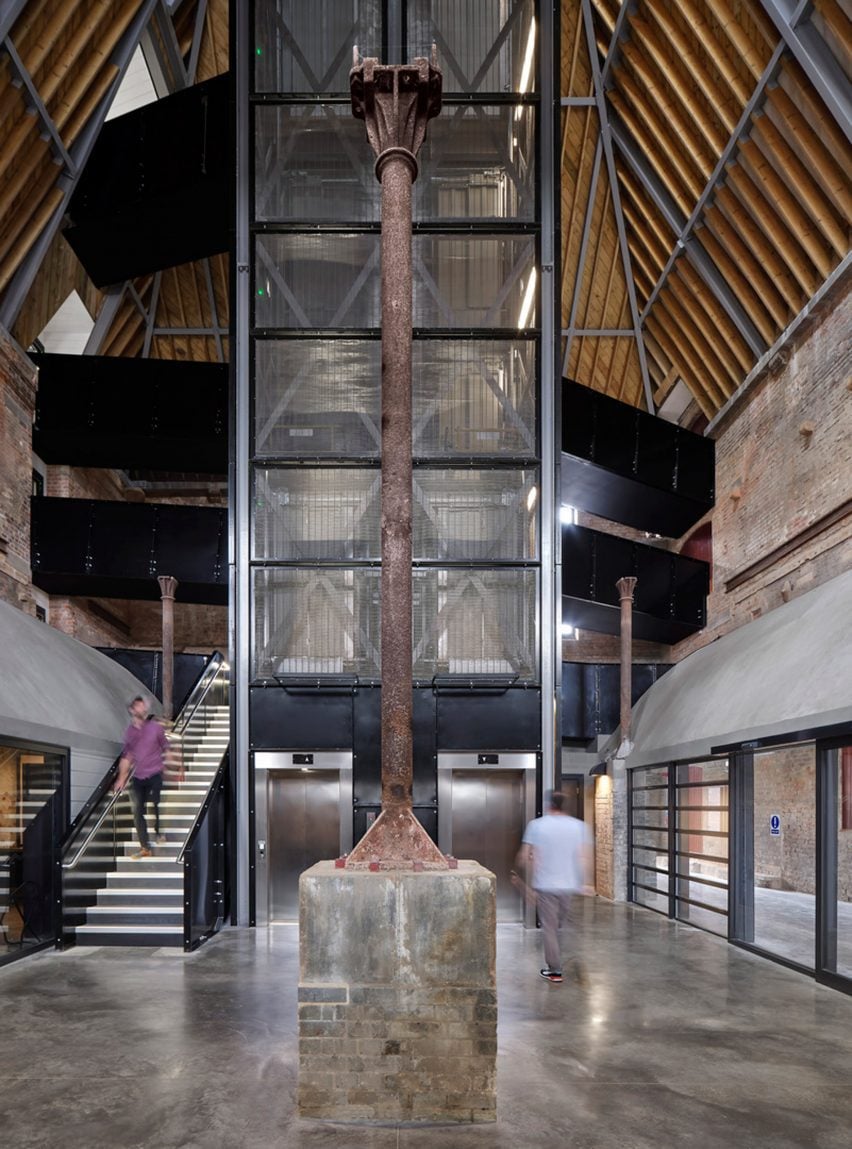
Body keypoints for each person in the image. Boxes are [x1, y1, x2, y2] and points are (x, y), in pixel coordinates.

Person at [514, 790, 594, 985]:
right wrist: (586, 882)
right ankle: (560, 959)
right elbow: (585, 857)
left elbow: (525, 856)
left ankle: (555, 970)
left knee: (549, 928)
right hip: (569, 886)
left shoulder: (537, 826)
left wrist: (521, 877)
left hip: (546, 885)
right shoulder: (580, 827)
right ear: (564, 806)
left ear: (549, 806)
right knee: (559, 926)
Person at [114, 696, 170, 859]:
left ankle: (159, 830)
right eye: (137, 706)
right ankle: (145, 847)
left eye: (142, 706)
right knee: (137, 810)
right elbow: (127, 757)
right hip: (138, 776)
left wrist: (174, 763)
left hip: (155, 773)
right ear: (132, 710)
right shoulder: (130, 733)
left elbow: (166, 746)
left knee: (155, 802)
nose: (140, 708)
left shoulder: (155, 728)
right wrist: (121, 779)